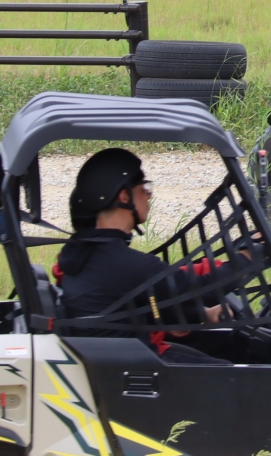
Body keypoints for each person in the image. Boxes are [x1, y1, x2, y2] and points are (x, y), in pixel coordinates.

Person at [51, 148, 230, 362]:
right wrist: (249, 258)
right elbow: (194, 287)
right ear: (124, 196)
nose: (149, 194)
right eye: (143, 187)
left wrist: (202, 315)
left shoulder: (86, 255)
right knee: (238, 380)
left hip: (120, 362)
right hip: (133, 369)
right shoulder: (122, 263)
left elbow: (148, 303)